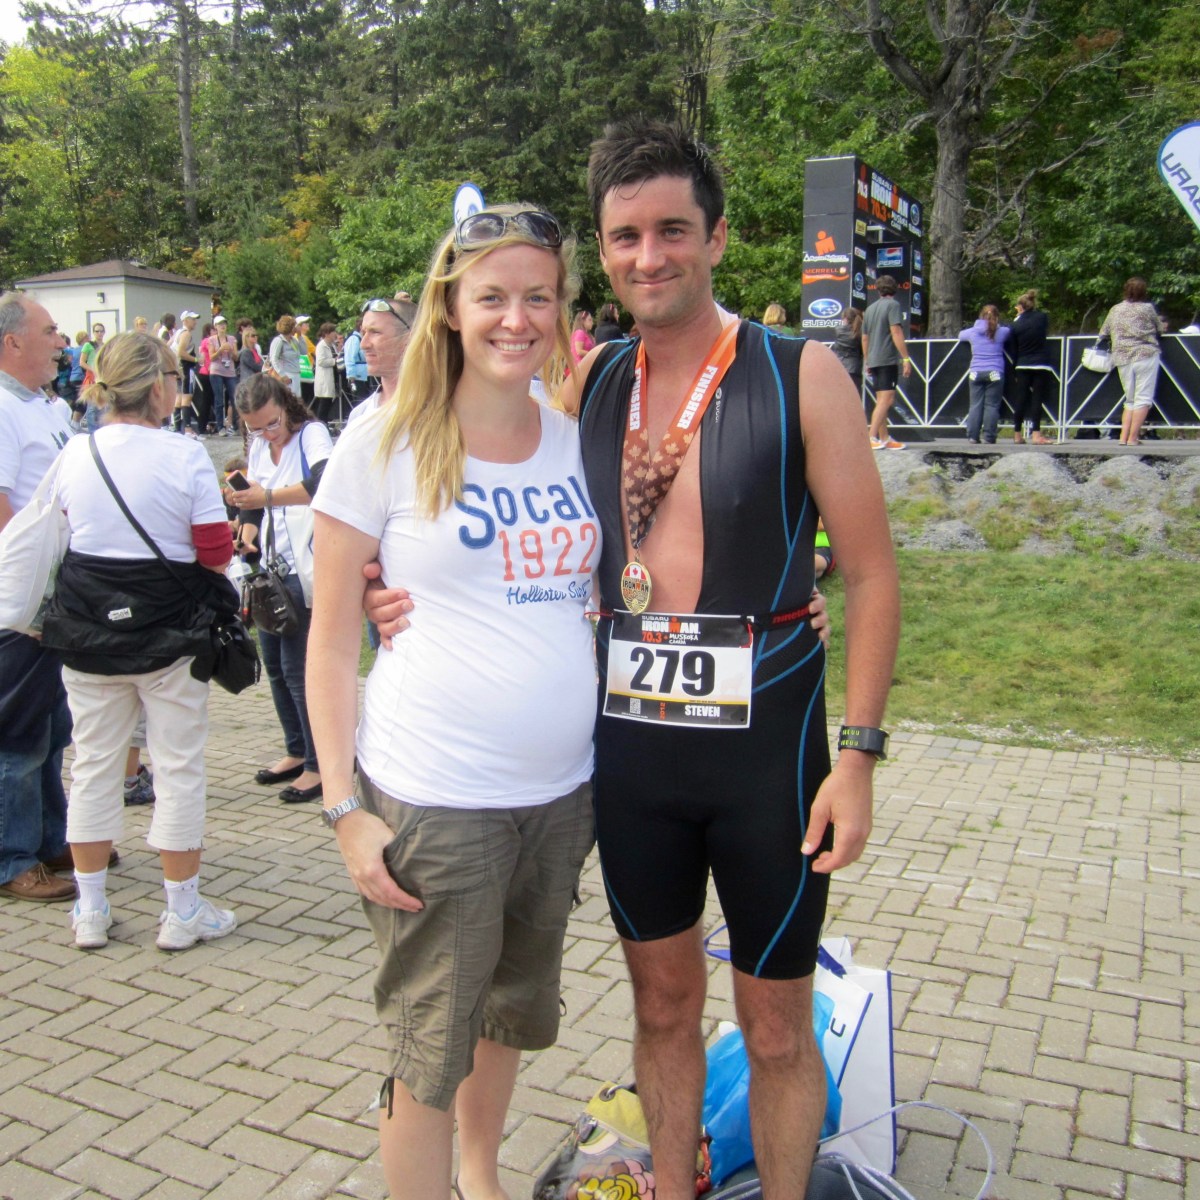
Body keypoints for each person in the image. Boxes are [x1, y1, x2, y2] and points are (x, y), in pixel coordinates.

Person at [365, 123, 891, 1200]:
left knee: (776, 1026)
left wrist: (859, 757)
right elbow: (502, 507)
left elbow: (874, 574)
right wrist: (393, 582)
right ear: (602, 254)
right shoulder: (591, 381)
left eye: (672, 231)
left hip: (771, 754)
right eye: (625, 237)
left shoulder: (801, 372)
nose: (649, 256)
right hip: (634, 758)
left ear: (717, 238)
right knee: (661, 1007)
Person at [307, 204, 594, 1200]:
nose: (518, 319)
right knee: (428, 1050)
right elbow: (330, 639)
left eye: (539, 297)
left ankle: (482, 1178)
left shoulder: (577, 442)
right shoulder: (384, 442)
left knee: (509, 1012)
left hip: (560, 798)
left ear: (563, 308)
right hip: (437, 800)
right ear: (451, 307)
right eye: (493, 297)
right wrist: (343, 809)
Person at [38, 331, 238, 950]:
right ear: (157, 387)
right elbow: (215, 552)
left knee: (93, 765)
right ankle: (182, 911)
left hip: (88, 630)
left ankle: (91, 909)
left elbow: (64, 529)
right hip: (170, 633)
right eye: (175, 379)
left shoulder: (76, 451)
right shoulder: (183, 455)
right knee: (178, 766)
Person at [0, 293, 78, 903]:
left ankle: (51, 839)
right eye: (49, 331)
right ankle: (12, 858)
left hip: (52, 600)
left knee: (52, 727)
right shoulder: (3, 409)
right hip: (21, 603)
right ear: (13, 341)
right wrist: (22, 587)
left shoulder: (44, 406)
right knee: (18, 735)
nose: (60, 341)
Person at [227, 374, 330, 803]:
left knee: (298, 670)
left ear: (285, 406)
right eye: (256, 428)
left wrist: (265, 498)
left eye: (272, 423)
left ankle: (320, 765)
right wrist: (247, 531)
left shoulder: (311, 434)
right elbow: (253, 505)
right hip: (269, 569)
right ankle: (296, 750)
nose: (268, 433)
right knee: (272, 665)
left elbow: (324, 483)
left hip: (304, 568)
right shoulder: (258, 447)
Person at [1099, 277, 1166, 447]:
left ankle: (1123, 437)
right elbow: (1160, 329)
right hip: (1145, 354)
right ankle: (1133, 438)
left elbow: (1104, 332)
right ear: (1144, 292)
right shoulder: (1147, 308)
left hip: (1122, 357)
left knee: (1129, 400)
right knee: (1143, 398)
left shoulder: (1115, 309)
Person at [345, 298, 417, 428]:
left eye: (375, 332)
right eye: (363, 333)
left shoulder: (440, 412)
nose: (363, 344)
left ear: (409, 338)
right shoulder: (359, 416)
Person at [862, 275, 911, 450]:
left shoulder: (869, 309)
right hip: (887, 358)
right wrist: (905, 358)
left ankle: (884, 438)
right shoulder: (893, 305)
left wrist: (867, 360)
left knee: (881, 400)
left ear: (878, 289)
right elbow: (896, 331)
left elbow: (865, 337)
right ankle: (870, 436)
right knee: (887, 399)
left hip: (874, 359)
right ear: (894, 288)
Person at [958, 304, 1011, 445]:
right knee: (991, 406)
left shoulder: (972, 332)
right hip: (995, 372)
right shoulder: (1002, 332)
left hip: (975, 372)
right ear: (997, 317)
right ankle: (989, 436)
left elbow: (960, 335)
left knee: (975, 405)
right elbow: (1010, 332)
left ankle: (973, 436)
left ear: (981, 316)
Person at [1007, 290, 1054, 444]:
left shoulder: (1015, 324)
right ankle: (1036, 434)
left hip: (1022, 364)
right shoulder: (1042, 317)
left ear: (1020, 307)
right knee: (1037, 399)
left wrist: (1014, 369)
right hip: (1041, 363)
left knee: (1020, 398)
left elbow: (1014, 349)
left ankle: (1017, 434)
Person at [205, 315, 239, 436]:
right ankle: (220, 427)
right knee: (219, 399)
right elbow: (211, 357)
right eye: (220, 324)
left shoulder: (232, 339)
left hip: (230, 371)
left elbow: (236, 357)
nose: (223, 326)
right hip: (217, 370)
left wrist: (231, 350)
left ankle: (235, 425)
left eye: (224, 324)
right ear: (216, 326)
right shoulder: (211, 340)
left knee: (234, 397)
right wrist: (220, 349)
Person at [170, 311, 201, 435]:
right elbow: (181, 352)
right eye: (192, 319)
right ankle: (187, 428)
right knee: (186, 397)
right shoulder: (186, 333)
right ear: (185, 320)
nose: (195, 322)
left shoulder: (178, 332)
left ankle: (177, 428)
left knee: (178, 397)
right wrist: (196, 359)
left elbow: (167, 346)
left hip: (178, 368)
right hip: (186, 368)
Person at [268, 315, 304, 398]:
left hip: (296, 374)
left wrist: (300, 336)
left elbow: (303, 351)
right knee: (287, 399)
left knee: (296, 399)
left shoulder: (293, 340)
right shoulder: (279, 340)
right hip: (286, 375)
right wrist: (282, 375)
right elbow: (274, 359)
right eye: (295, 326)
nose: (296, 328)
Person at [832, 307, 864, 396]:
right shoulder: (859, 332)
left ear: (845, 318)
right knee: (855, 396)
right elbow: (862, 351)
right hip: (854, 368)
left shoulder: (838, 330)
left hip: (840, 366)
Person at [312, 322, 338, 425]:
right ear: (327, 333)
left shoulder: (332, 345)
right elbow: (321, 361)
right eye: (333, 332)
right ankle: (320, 424)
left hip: (331, 377)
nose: (335, 334)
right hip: (324, 379)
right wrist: (334, 361)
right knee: (324, 404)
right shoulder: (321, 346)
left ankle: (324, 424)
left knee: (328, 403)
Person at [343, 316, 371, 403]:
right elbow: (349, 359)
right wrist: (351, 376)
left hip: (364, 375)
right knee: (359, 401)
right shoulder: (354, 339)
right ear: (361, 327)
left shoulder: (362, 339)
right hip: (358, 376)